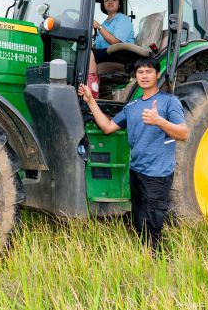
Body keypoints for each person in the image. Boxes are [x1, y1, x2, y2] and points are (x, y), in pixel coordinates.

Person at [78, 57, 188, 252]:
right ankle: (144, 258)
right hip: (136, 171)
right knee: (138, 221)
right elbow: (107, 127)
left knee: (152, 225)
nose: (144, 76)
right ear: (136, 77)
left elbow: (183, 133)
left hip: (158, 174)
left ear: (157, 74)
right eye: (140, 72)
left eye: (148, 72)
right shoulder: (132, 106)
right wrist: (91, 101)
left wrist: (158, 121)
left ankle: (160, 263)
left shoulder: (169, 102)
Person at [86, 0, 135, 98]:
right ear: (103, 5)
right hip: (107, 55)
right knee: (83, 52)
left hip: (122, 55)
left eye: (114, 0)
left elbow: (115, 42)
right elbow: (98, 47)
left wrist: (99, 27)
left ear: (119, 4)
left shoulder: (123, 19)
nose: (110, 2)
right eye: (106, 0)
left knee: (89, 54)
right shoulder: (105, 23)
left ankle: (92, 94)